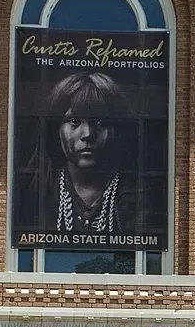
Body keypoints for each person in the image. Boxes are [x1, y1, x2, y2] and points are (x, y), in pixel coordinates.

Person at [39, 71, 136, 240]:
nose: (88, 134)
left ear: (116, 130)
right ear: (57, 130)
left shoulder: (139, 198)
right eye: (74, 122)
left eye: (101, 123)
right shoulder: (36, 193)